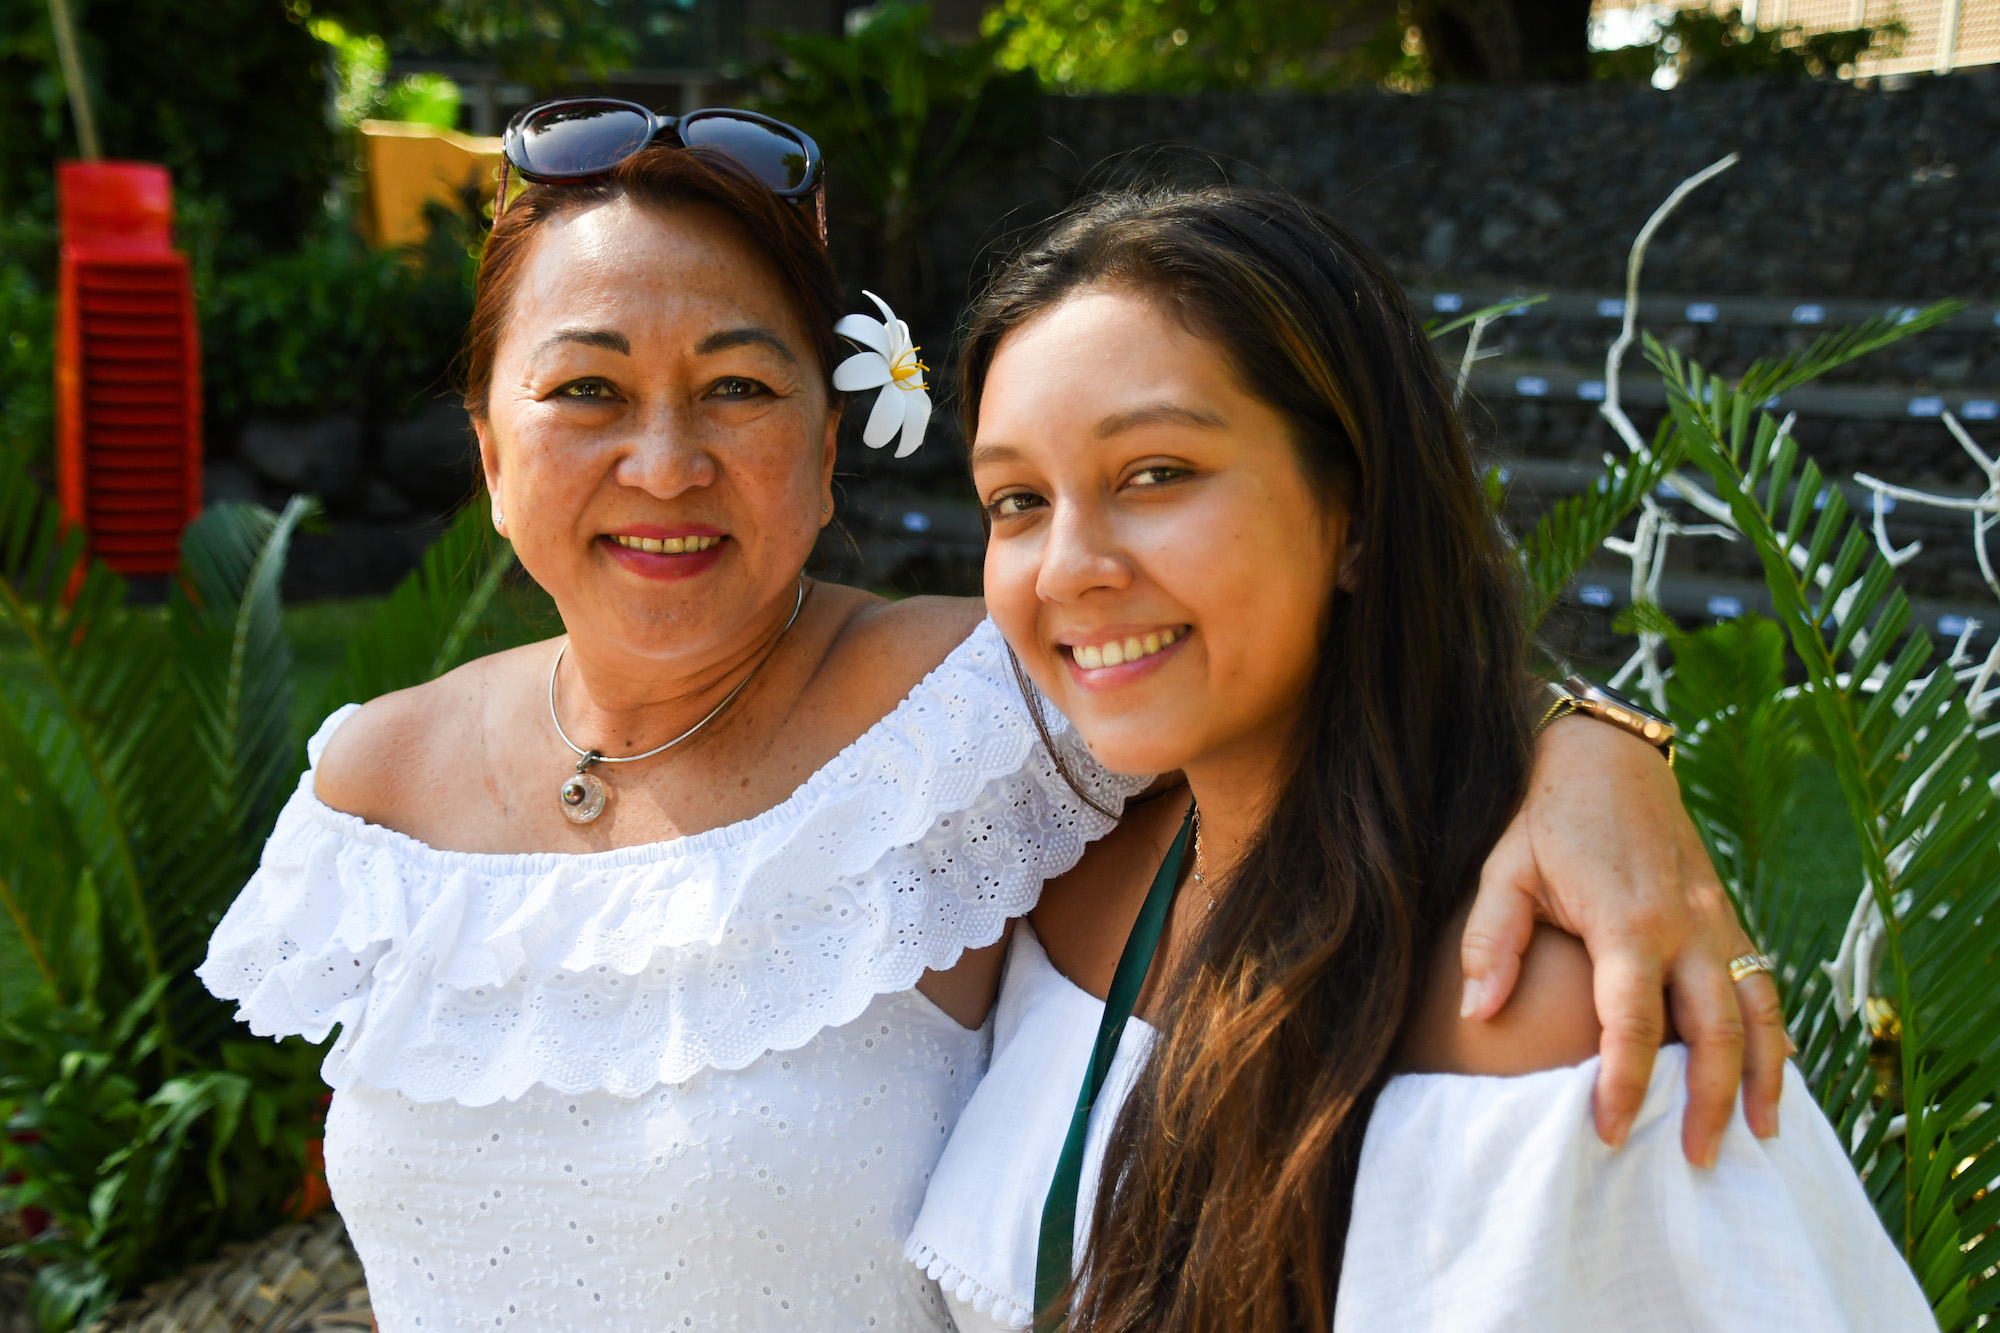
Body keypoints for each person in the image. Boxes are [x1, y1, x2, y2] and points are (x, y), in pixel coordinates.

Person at [200, 100, 1784, 1332]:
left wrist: (1592, 752)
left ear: (830, 446)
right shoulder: (371, 785)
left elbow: (1309, 669)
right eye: (585, 391)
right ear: (490, 452)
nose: (666, 462)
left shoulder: (981, 716)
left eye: (740, 387)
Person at [910, 186, 1931, 1332]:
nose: (1066, 567)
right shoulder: (1060, 873)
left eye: (1155, 472)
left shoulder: (1545, 1018)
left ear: (1352, 512)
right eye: (1015, 500)